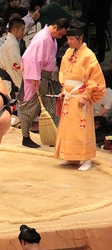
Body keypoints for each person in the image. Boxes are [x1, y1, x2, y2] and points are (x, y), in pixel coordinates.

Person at [54, 27, 106, 171]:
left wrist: (86, 95)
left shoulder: (89, 55)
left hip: (80, 95)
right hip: (69, 95)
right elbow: (64, 72)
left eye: (72, 39)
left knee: (82, 127)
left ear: (80, 38)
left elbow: (95, 78)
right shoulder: (68, 52)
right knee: (68, 128)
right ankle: (72, 157)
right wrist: (64, 89)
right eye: (68, 39)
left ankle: (86, 158)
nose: (69, 42)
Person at [19, 18, 70, 148]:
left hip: (46, 78)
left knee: (50, 108)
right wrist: (35, 78)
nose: (61, 36)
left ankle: (51, 137)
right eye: (60, 33)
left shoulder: (51, 38)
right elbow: (30, 58)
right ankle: (25, 137)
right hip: (36, 77)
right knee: (30, 108)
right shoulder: (42, 38)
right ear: (54, 27)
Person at [0, 18, 25, 99]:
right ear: (14, 30)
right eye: (22, 30)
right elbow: (15, 64)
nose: (23, 32)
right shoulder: (11, 43)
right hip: (6, 78)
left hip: (5, 77)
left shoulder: (11, 41)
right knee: (8, 103)